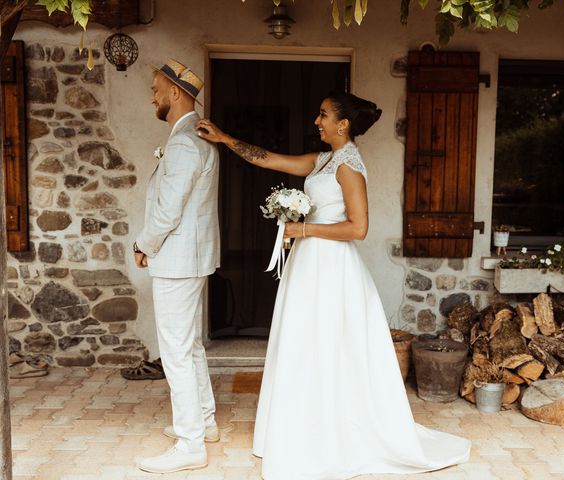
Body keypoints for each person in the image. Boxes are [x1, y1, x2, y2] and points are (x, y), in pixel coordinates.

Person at [196, 91, 471, 479]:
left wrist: (301, 228)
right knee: (303, 342)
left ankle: (331, 435)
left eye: (323, 115)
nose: (316, 121)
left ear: (343, 124)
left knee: (328, 344)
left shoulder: (349, 167)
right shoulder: (322, 161)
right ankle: (300, 428)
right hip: (308, 265)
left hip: (332, 269)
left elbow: (358, 228)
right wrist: (225, 139)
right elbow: (269, 159)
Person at [133, 59, 221, 474]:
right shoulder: (192, 136)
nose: (151, 95)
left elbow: (169, 210)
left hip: (177, 260)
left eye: (155, 88)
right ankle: (204, 422)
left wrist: (143, 243)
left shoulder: (186, 142)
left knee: (175, 351)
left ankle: (190, 445)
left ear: (174, 93)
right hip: (191, 258)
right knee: (190, 346)